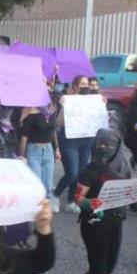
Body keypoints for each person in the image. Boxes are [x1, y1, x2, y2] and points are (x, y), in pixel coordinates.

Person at [72, 129, 131, 274]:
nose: (104, 148)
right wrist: (89, 204)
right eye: (100, 144)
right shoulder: (91, 169)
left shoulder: (124, 166)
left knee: (109, 266)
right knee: (98, 267)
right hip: (94, 223)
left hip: (116, 220)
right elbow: (78, 198)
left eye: (109, 144)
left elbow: (131, 189)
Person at [54, 75, 96, 214]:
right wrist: (64, 108)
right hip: (69, 140)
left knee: (80, 173)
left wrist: (102, 104)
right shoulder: (68, 100)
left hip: (86, 140)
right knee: (72, 172)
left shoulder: (93, 101)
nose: (85, 86)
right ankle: (55, 196)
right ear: (75, 87)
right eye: (82, 84)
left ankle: (71, 201)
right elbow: (59, 124)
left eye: (87, 84)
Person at [19, 98, 61, 210]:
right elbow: (24, 137)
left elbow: (53, 132)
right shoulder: (31, 115)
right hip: (34, 150)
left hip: (48, 150)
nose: (51, 104)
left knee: (48, 184)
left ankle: (45, 208)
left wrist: (56, 149)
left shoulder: (51, 114)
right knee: (37, 183)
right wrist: (22, 156)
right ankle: (35, 208)